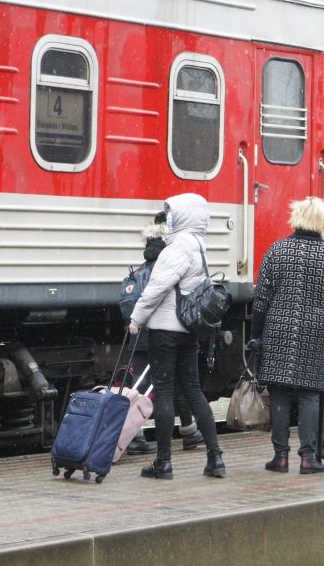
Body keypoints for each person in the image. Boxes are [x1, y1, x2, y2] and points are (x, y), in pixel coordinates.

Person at [127, 193, 224, 479]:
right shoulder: (199, 245)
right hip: (189, 329)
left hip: (166, 331)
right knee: (194, 391)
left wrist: (136, 319)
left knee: (165, 392)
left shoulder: (177, 247)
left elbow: (156, 289)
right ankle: (215, 458)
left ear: (183, 216)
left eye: (171, 212)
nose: (168, 217)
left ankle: (163, 462)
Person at [251, 197, 324, 475]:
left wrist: (256, 335)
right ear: (322, 222)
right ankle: (308, 457)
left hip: (278, 330)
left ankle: (280, 457)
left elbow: (260, 300)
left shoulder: (277, 250)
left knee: (280, 392)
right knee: (309, 394)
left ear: (295, 219)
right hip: (315, 332)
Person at [120, 212, 205, 455]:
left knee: (137, 386)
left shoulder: (138, 273)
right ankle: (189, 431)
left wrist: (136, 321)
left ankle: (134, 436)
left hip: (139, 337)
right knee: (175, 384)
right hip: (166, 334)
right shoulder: (172, 266)